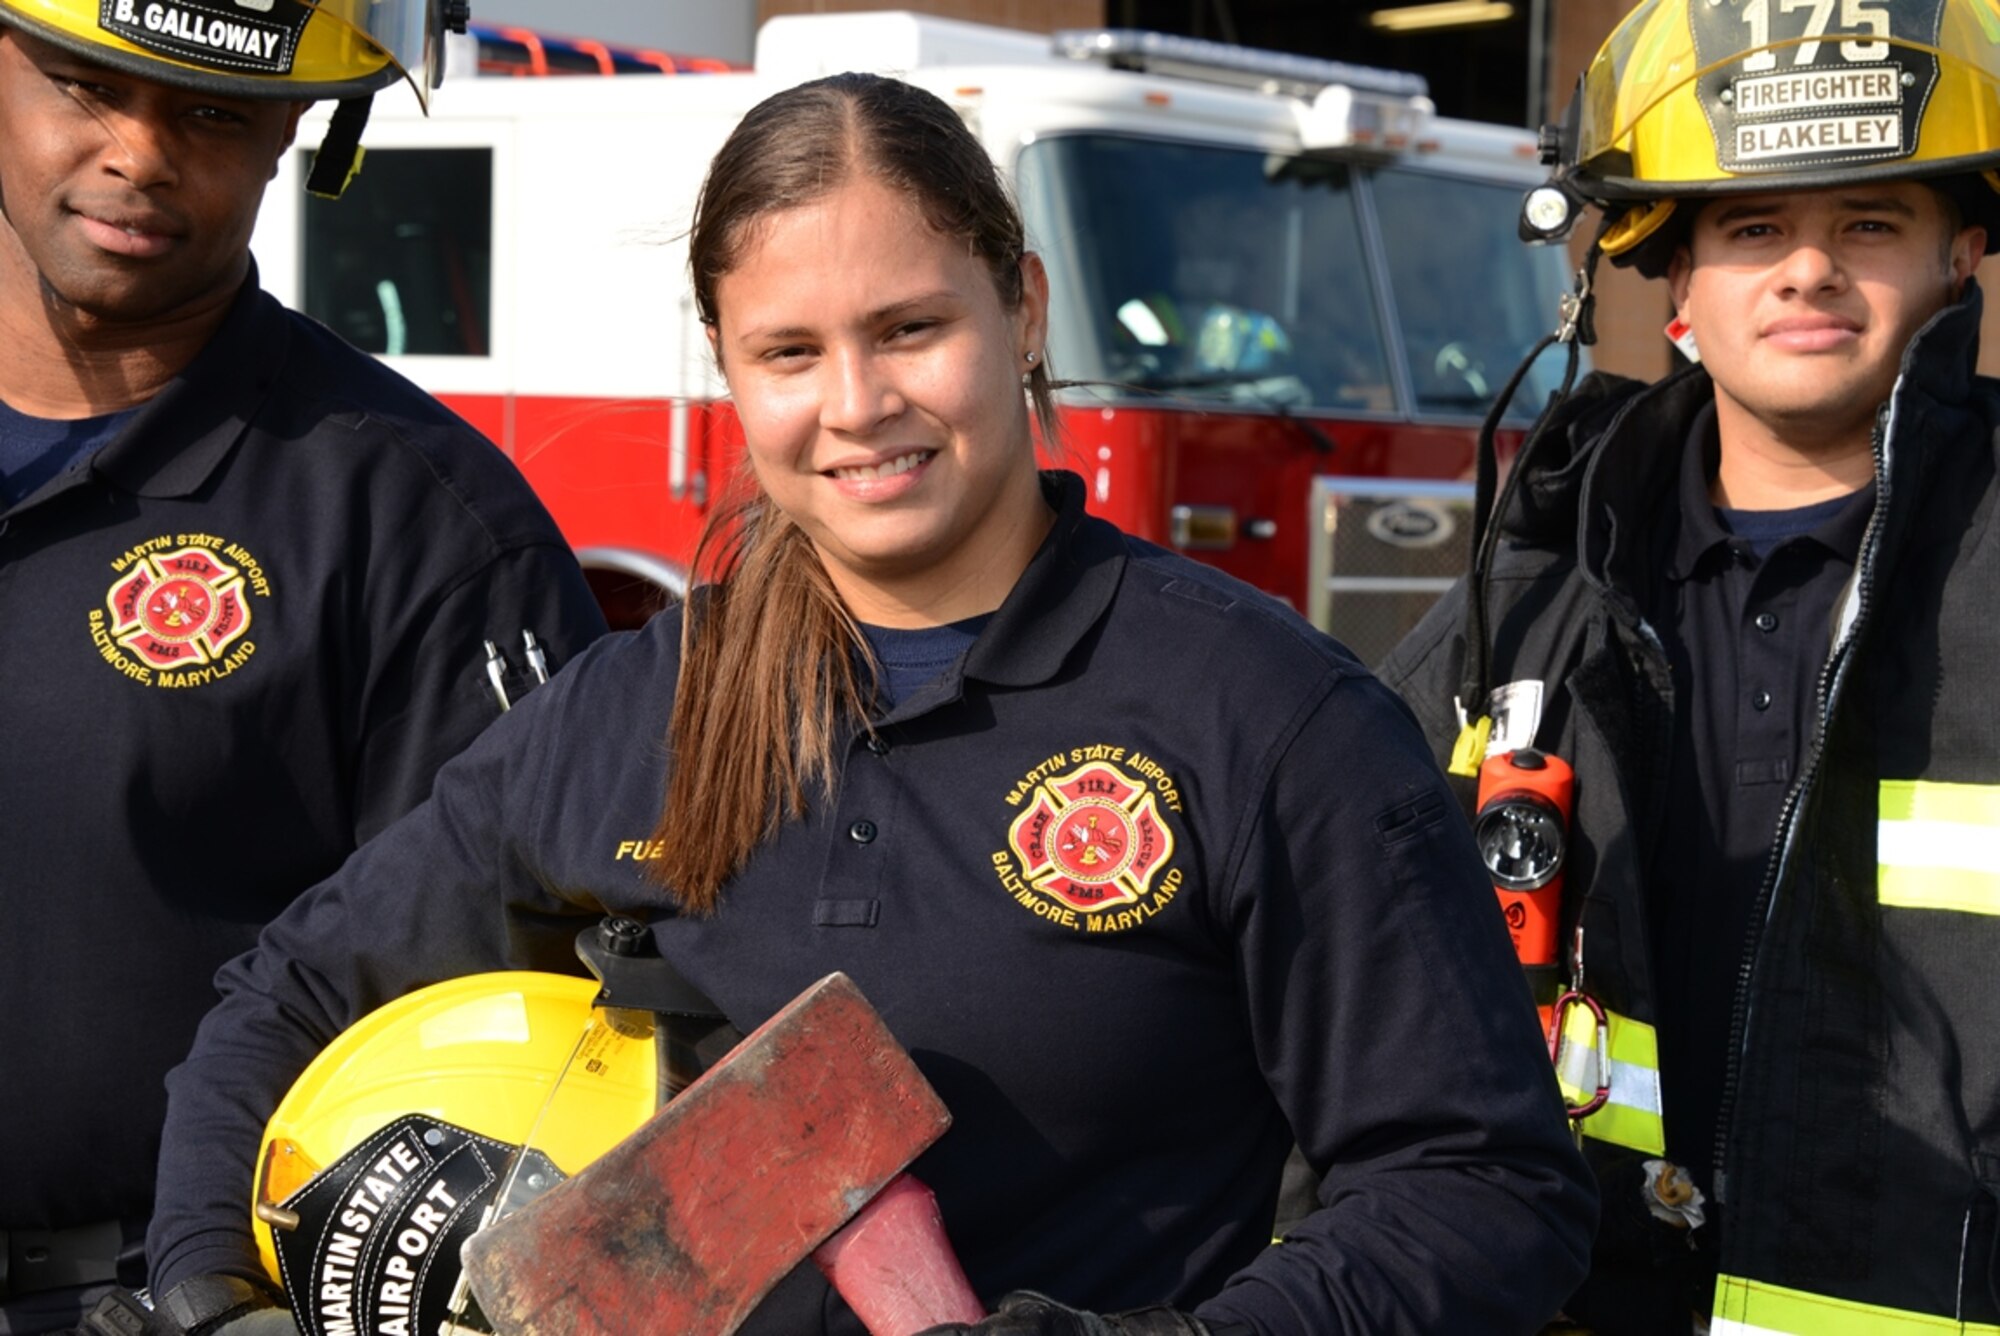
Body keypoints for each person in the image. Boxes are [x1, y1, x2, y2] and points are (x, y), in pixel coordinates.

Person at [143, 71, 1594, 1336]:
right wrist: (211, 1294)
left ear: (1021, 308)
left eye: (908, 329)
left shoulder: (1266, 718)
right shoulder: (633, 708)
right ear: (727, 366)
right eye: (790, 352)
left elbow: (1484, 1190)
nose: (855, 404)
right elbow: (286, 998)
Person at [1379, 0, 2000, 1331]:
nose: (1809, 272)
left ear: (1964, 254)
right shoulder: (1531, 600)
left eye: (1871, 224)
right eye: (1755, 228)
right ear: (1673, 270)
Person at [0, 2, 606, 1330]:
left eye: (213, 112)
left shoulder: (428, 530)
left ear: (305, 128)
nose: (140, 153)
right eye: (87, 85)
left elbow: (536, 1027)